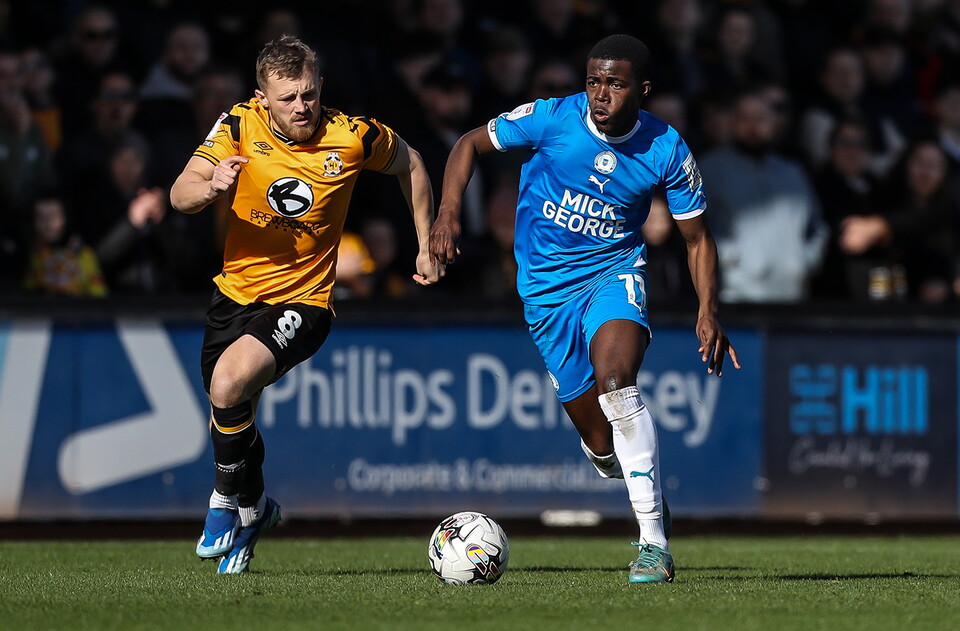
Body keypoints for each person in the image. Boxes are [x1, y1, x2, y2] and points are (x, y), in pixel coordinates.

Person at [428, 34, 739, 583]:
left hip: (613, 276)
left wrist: (707, 310)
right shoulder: (551, 118)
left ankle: (653, 543)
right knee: (601, 447)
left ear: (643, 90)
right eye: (594, 81)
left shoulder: (667, 148)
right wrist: (448, 212)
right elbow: (468, 144)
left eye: (615, 84)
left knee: (617, 383)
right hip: (545, 295)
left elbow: (697, 239)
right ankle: (639, 484)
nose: (600, 94)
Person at [169, 35, 443, 573]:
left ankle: (223, 505)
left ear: (321, 88)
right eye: (288, 97)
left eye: (310, 94)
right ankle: (256, 510)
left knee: (228, 383)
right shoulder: (238, 125)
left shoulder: (352, 136)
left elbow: (411, 164)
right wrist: (211, 187)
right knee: (230, 411)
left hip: (305, 301)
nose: (302, 107)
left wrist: (425, 243)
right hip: (233, 296)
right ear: (262, 99)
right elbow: (181, 192)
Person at [700, 89, 829, 303]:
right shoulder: (709, 170)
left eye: (760, 119)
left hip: (793, 295)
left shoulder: (793, 173)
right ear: (732, 123)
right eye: (745, 119)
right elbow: (697, 229)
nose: (753, 126)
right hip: (735, 297)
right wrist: (732, 261)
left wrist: (805, 262)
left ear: (774, 124)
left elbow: (817, 227)